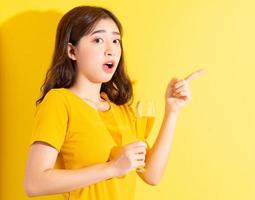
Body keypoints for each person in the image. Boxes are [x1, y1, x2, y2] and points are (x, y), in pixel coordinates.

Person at [24, 5, 202, 200]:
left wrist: (172, 111)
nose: (111, 50)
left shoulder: (121, 108)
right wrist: (112, 168)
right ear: (72, 51)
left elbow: (151, 175)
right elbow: (34, 183)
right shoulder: (59, 101)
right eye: (98, 40)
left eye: (116, 40)